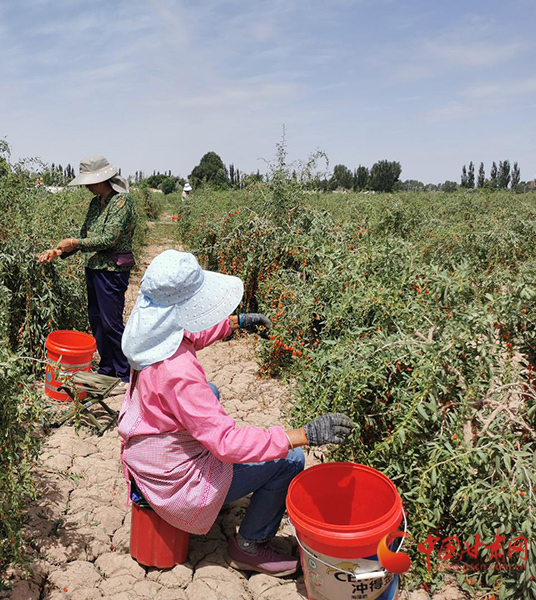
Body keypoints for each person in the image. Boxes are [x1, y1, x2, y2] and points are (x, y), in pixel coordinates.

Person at [118, 249, 353, 577]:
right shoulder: (178, 371)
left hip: (147, 454)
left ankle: (219, 496)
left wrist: (235, 323)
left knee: (210, 394)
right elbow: (226, 443)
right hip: (172, 481)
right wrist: (303, 435)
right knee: (290, 460)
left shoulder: (147, 335)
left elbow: (187, 334)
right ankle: (249, 547)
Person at [38, 156, 137, 383]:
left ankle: (124, 373)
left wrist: (73, 243)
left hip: (113, 271)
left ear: (102, 179)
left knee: (111, 322)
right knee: (97, 321)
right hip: (94, 269)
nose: (86, 186)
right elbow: (85, 237)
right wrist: (59, 252)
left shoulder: (121, 202)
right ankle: (107, 368)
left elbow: (109, 239)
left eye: (89, 181)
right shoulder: (95, 204)